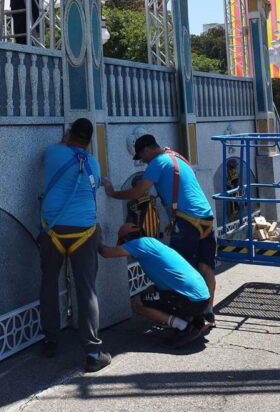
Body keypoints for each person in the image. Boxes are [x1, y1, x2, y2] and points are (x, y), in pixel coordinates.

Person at [103, 134, 216, 328]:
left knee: (182, 271)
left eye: (141, 157)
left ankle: (189, 321)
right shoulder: (176, 157)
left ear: (147, 149)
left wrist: (112, 193)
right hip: (205, 217)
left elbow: (138, 192)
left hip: (187, 221)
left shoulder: (157, 162)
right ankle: (208, 312)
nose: (142, 162)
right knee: (205, 268)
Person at [39, 117, 112, 373]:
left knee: (49, 282)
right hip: (85, 230)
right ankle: (92, 351)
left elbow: (59, 150)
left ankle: (50, 341)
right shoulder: (93, 162)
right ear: (89, 140)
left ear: (70, 133)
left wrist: (67, 138)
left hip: (53, 230)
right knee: (87, 289)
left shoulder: (53, 152)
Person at [97, 223, 210, 348]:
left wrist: (96, 237)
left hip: (190, 301)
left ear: (125, 240)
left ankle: (185, 328)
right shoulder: (152, 243)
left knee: (137, 303)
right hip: (203, 298)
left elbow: (106, 252)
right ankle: (196, 320)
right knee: (150, 289)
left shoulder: (138, 244)